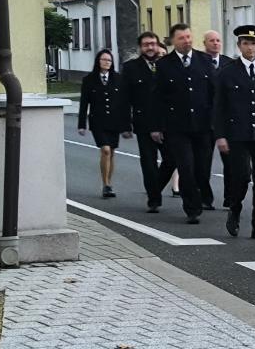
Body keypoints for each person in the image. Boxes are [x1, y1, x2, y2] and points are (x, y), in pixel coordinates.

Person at [149, 23, 217, 224]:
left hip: (203, 126)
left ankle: (199, 196)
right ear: (173, 41)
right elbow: (157, 98)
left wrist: (218, 122)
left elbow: (214, 93)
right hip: (177, 127)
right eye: (181, 38)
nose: (186, 41)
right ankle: (192, 209)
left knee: (202, 169)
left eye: (188, 37)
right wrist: (156, 126)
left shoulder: (205, 60)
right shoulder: (164, 65)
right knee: (186, 167)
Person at [213, 25, 255, 240]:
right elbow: (219, 106)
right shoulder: (227, 72)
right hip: (237, 134)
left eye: (253, 43)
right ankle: (235, 208)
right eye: (246, 43)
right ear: (239, 46)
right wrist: (220, 135)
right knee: (241, 177)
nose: (250, 47)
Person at [121, 32, 175, 212]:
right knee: (149, 163)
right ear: (140, 47)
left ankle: (154, 189)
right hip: (143, 122)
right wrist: (125, 124)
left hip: (167, 122)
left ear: (158, 45)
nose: (150, 47)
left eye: (153, 44)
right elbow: (124, 98)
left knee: (172, 159)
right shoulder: (131, 68)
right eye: (146, 44)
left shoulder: (168, 65)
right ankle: (154, 200)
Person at [78, 49, 130, 199]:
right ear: (98, 61)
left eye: (109, 60)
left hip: (115, 121)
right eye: (104, 60)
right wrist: (82, 124)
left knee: (111, 152)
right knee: (105, 150)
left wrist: (127, 126)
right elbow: (84, 103)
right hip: (98, 122)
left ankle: (108, 184)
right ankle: (105, 184)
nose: (107, 62)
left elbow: (124, 104)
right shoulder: (89, 80)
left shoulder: (119, 79)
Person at [201, 30, 227, 206]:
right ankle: (205, 197)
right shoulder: (198, 62)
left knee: (230, 162)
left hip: (225, 120)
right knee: (204, 161)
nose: (215, 43)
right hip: (205, 120)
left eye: (218, 40)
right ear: (205, 43)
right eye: (211, 40)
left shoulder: (228, 63)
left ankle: (230, 197)